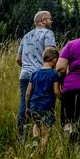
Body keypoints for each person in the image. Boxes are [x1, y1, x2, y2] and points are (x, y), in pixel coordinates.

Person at [16, 10, 56, 141]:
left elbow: (18, 59)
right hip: (42, 75)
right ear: (43, 20)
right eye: (50, 19)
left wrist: (28, 67)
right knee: (44, 104)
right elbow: (50, 54)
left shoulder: (26, 36)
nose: (51, 21)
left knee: (24, 105)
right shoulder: (48, 33)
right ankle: (42, 135)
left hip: (25, 75)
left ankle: (22, 137)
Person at [25, 48, 61, 148]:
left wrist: (28, 107)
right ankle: (40, 153)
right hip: (47, 108)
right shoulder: (53, 74)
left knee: (37, 124)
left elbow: (28, 93)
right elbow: (56, 91)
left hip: (34, 106)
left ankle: (35, 141)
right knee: (45, 133)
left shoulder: (34, 73)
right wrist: (64, 100)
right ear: (54, 60)